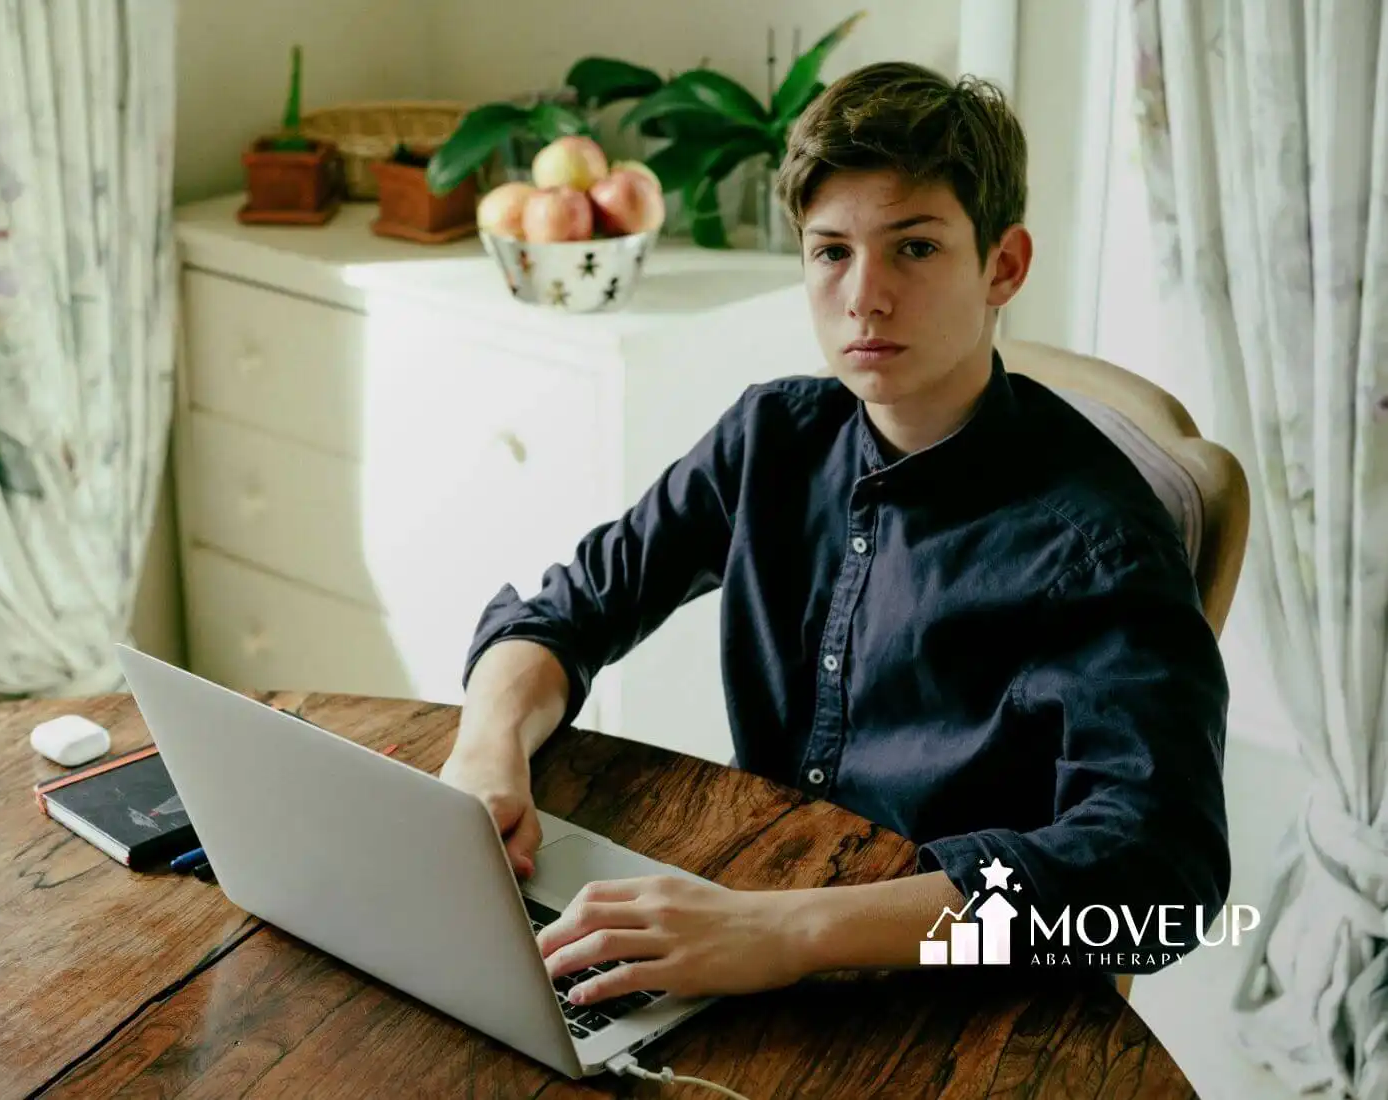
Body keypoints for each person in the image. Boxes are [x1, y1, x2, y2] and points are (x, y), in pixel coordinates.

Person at [439, 60, 1231, 1010]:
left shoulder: (1093, 540)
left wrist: (784, 933)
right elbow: (572, 609)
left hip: (944, 997)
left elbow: (1160, 877)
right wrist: (485, 754)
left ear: (1003, 265)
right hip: (753, 921)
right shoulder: (772, 435)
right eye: (830, 251)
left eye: (915, 248)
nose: (864, 296)